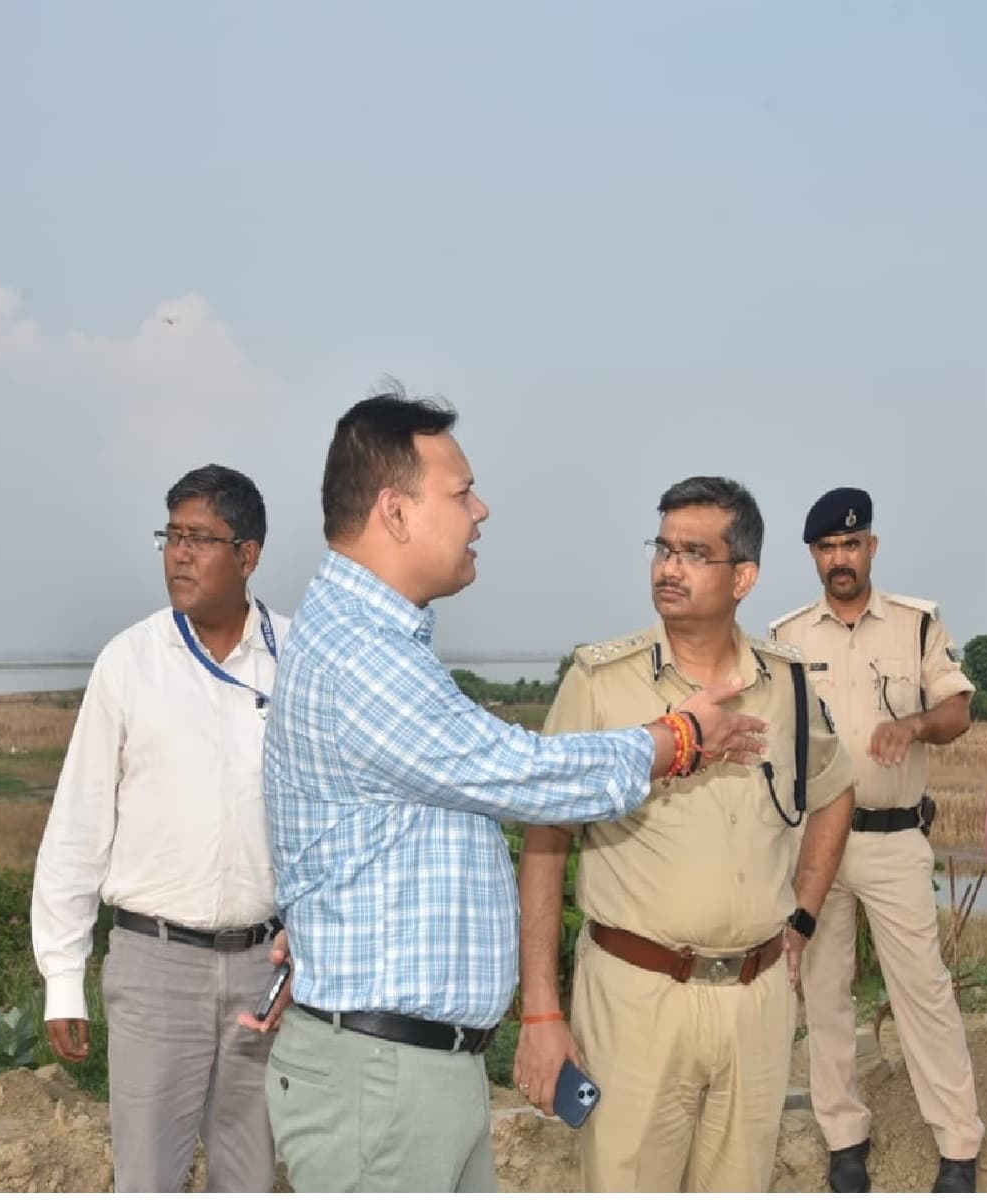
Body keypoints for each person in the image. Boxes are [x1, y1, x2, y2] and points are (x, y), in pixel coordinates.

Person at [261, 392, 768, 1193]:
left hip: (409, 1070)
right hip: (382, 1081)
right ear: (395, 512)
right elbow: (520, 772)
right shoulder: (362, 655)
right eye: (460, 494)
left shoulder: (376, 641)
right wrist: (674, 741)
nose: (481, 510)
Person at [512, 475, 856, 1192]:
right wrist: (542, 1006)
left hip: (757, 1002)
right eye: (662, 549)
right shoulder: (603, 683)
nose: (669, 568)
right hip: (636, 998)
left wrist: (801, 918)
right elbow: (546, 838)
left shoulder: (788, 685)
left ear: (745, 577)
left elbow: (834, 791)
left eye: (694, 553)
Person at [31, 464, 294, 1192]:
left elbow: (330, 818)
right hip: (154, 965)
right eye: (171, 536)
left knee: (251, 1178)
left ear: (249, 554)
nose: (179, 554)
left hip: (264, 971)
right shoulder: (130, 661)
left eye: (200, 539)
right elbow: (78, 824)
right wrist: (62, 977)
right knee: (146, 1179)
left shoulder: (296, 660)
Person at [769, 486, 983, 1193]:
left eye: (851, 545)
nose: (840, 558)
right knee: (824, 996)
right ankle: (845, 1139)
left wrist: (914, 726)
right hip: (815, 849)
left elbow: (956, 708)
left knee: (923, 989)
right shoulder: (787, 638)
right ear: (813, 555)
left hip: (893, 842)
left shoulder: (917, 624)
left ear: (872, 548)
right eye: (828, 548)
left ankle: (958, 1145)